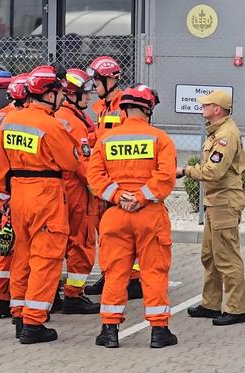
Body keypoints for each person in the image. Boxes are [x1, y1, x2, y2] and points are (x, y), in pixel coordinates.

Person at [0, 63, 81, 344]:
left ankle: (19, 314)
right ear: (49, 94)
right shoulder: (51, 126)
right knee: (46, 259)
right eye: (59, 93)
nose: (63, 98)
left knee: (22, 257)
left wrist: (3, 199)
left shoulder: (10, 121)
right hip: (46, 195)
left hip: (18, 195)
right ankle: (33, 324)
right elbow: (71, 163)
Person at [88, 84, 178, 349]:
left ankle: (109, 330)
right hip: (150, 214)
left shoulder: (106, 139)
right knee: (154, 272)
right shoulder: (160, 139)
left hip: (115, 215)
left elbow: (95, 177)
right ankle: (159, 331)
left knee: (115, 273)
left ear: (124, 109)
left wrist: (119, 196)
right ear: (148, 109)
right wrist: (139, 197)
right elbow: (166, 176)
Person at [180, 90, 245, 326]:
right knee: (210, 256)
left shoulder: (226, 135)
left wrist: (185, 171)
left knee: (227, 257)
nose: (202, 108)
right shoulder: (217, 131)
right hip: (215, 202)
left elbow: (214, 171)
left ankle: (235, 309)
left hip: (225, 202)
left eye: (206, 105)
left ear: (217, 109)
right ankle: (210, 304)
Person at [84, 56, 142, 300]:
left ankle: (134, 279)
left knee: (126, 231)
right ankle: (111, 273)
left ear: (110, 80)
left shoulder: (123, 106)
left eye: (97, 81)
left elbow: (126, 142)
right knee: (108, 232)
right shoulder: (104, 107)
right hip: (107, 177)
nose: (93, 86)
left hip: (121, 177)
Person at [54, 68, 101, 314]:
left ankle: (51, 293)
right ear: (72, 94)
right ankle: (74, 294)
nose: (88, 97)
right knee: (81, 241)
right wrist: (98, 187)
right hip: (77, 189)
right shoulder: (73, 121)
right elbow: (82, 162)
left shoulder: (62, 115)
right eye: (85, 93)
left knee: (58, 242)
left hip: (60, 189)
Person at [0, 73, 30, 319]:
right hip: (22, 191)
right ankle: (22, 304)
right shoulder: (20, 120)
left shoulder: (1, 118)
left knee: (6, 247)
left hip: (7, 192)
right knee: (23, 249)